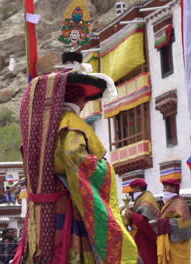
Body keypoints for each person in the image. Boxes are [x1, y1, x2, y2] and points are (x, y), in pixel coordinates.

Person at [13, 52, 138, 263]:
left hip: (41, 209)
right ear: (79, 99)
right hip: (67, 202)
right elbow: (74, 157)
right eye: (84, 99)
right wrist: (103, 168)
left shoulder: (41, 127)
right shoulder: (71, 123)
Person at [150, 179, 191, 263]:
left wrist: (161, 222)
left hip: (178, 245)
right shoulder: (170, 203)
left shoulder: (179, 202)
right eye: (163, 188)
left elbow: (184, 223)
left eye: (165, 187)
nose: (163, 190)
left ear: (173, 189)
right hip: (170, 242)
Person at [123, 179, 159, 264]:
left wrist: (133, 215)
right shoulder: (141, 199)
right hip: (140, 237)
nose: (132, 192)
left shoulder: (147, 199)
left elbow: (146, 222)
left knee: (148, 259)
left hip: (146, 239)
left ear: (138, 188)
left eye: (133, 189)